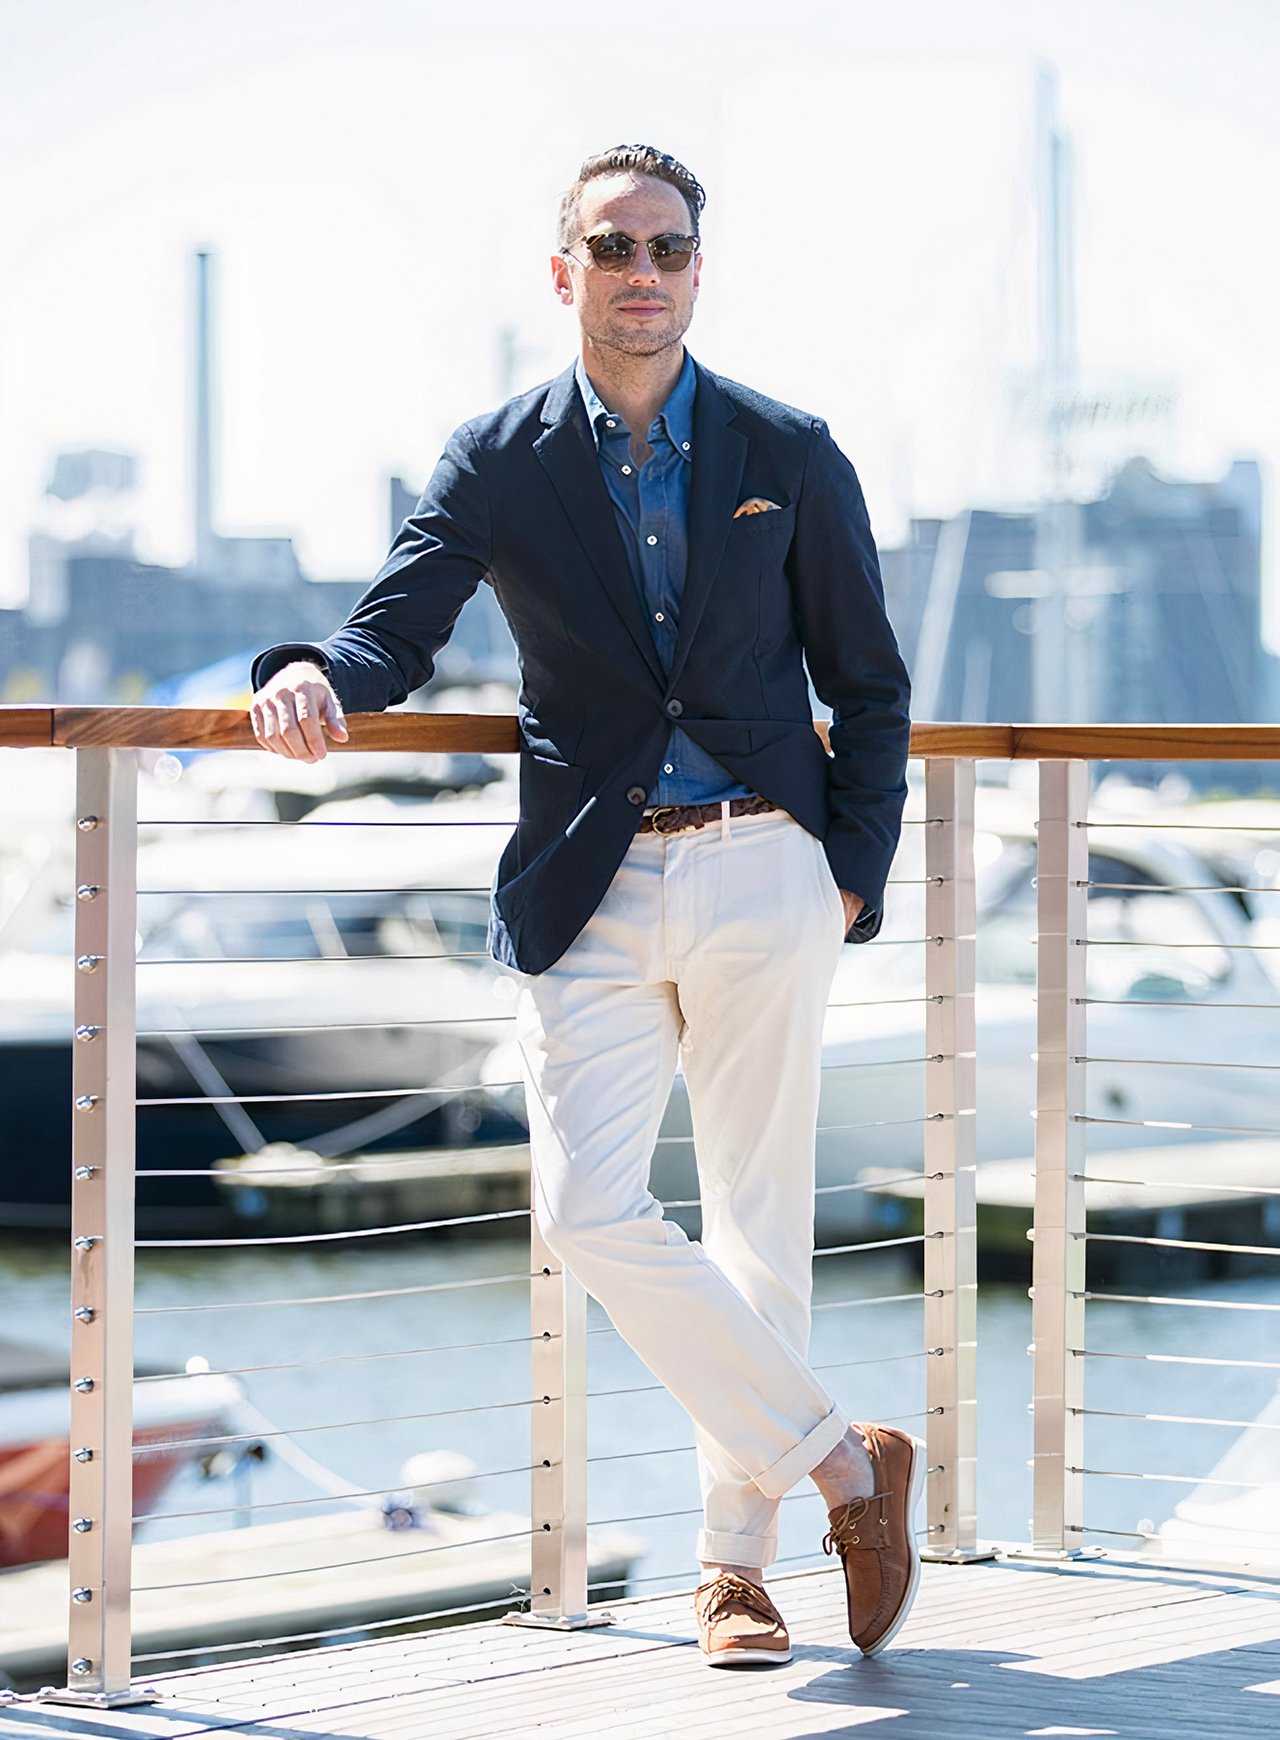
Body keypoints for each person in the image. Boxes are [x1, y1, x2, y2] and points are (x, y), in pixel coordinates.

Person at [250, 144, 916, 1668]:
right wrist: (309, 676)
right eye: (610, 247)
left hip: (767, 865)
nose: (641, 272)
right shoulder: (497, 457)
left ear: (700, 268)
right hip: (590, 882)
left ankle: (732, 1577)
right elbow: (395, 629)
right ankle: (842, 1464)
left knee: (760, 1228)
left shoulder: (788, 448)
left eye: (667, 248)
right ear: (564, 273)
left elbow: (868, 683)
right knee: (588, 1211)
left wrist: (853, 874)